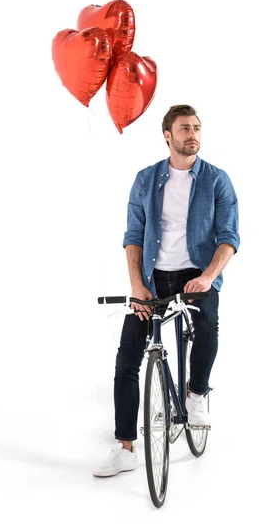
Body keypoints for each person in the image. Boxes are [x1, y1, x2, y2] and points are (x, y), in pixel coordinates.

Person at [92, 104, 240, 477]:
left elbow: (229, 238)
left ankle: (196, 393)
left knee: (207, 322)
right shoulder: (146, 179)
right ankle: (125, 447)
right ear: (167, 136)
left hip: (195, 273)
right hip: (153, 277)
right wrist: (137, 286)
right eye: (185, 128)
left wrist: (208, 277)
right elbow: (133, 236)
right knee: (127, 358)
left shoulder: (216, 180)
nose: (193, 134)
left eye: (197, 128)